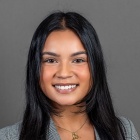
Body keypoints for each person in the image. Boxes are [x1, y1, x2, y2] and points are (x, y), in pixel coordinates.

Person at [0, 11, 139, 140]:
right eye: (51, 60)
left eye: (78, 60)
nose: (64, 73)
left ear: (95, 67)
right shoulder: (8, 137)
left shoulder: (124, 132)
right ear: (35, 67)